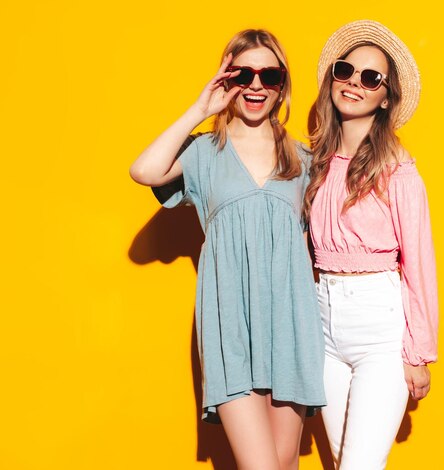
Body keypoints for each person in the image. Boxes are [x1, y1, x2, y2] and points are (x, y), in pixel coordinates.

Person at [130, 29, 325, 470]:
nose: (256, 85)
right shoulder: (202, 153)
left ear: (281, 87)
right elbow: (143, 170)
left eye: (269, 75)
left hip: (291, 332)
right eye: (243, 74)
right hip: (230, 334)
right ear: (226, 79)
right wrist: (200, 109)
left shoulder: (304, 160)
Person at [303, 20, 439, 469]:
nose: (354, 83)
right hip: (323, 325)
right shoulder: (316, 161)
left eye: (371, 78)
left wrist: (419, 352)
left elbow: (418, 261)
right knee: (343, 462)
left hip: (378, 327)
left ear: (386, 97)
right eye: (346, 70)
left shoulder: (398, 168)